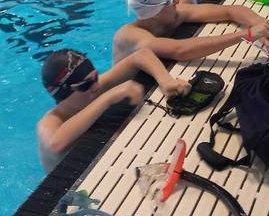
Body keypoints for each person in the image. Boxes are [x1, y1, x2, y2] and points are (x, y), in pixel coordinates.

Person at [37, 47, 190, 171]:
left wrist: (165, 81)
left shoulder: (92, 88)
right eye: (85, 85)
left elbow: (140, 55)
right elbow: (55, 145)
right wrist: (108, 97)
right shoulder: (50, 121)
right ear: (62, 93)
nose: (96, 86)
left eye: (95, 77)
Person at [113, 0, 269, 65]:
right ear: (154, 13)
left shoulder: (173, 13)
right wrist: (248, 34)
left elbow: (230, 10)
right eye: (170, 1)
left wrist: (261, 24)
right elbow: (180, 50)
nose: (176, 2)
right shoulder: (131, 35)